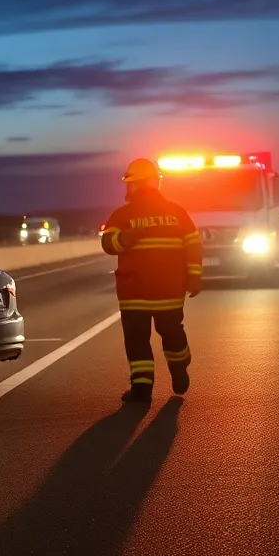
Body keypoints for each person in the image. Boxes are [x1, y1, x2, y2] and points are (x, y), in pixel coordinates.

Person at [101, 157, 203, 403]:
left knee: (137, 340)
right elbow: (193, 247)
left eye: (131, 183)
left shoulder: (122, 215)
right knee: (171, 333)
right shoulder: (177, 213)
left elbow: (108, 244)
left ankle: (143, 388)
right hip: (165, 289)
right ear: (156, 183)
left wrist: (124, 238)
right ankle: (173, 371)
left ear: (136, 185)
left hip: (134, 290)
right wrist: (194, 277)